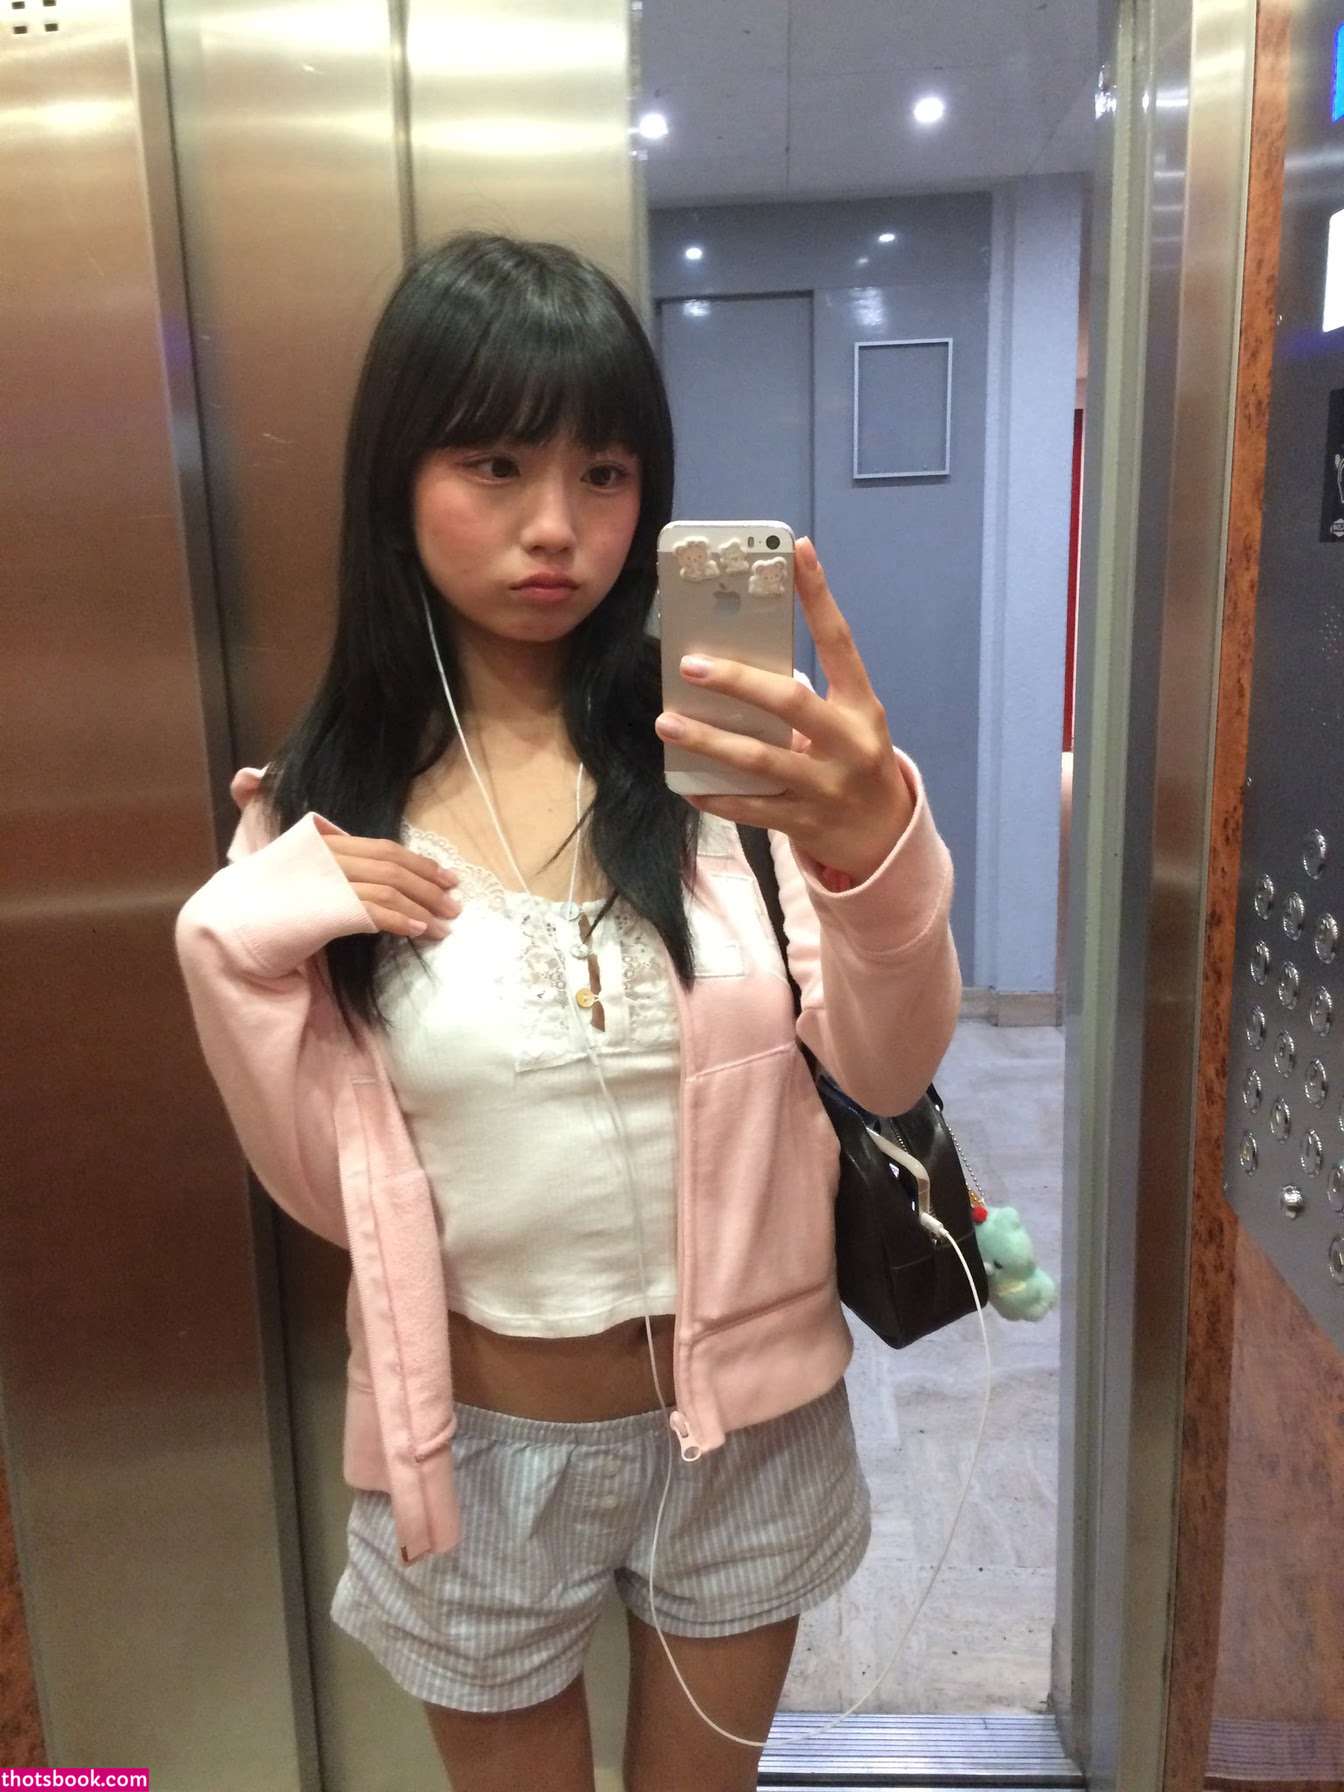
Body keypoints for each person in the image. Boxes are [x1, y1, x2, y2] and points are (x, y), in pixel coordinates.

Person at [174, 231, 961, 1792]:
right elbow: (324, 1190)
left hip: (747, 1438)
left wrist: (875, 853)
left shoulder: (731, 777)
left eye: (604, 473)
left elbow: (886, 1065)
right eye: (495, 465)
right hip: (472, 1449)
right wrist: (232, 942)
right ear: (399, 480)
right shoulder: (321, 816)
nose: (558, 528)